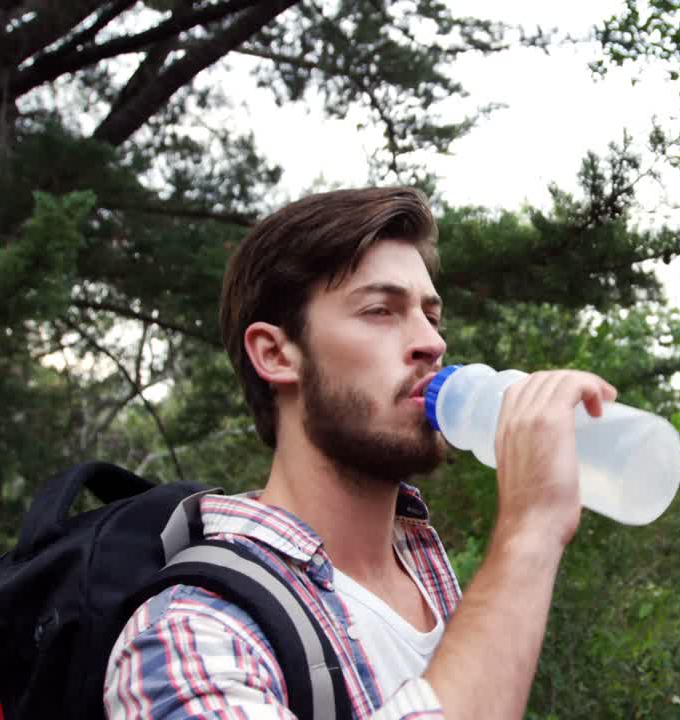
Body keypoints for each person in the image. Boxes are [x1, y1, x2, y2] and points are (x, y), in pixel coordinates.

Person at [104, 187, 615, 719]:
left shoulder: (425, 571)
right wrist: (528, 531)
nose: (432, 344)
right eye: (380, 311)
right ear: (277, 354)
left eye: (431, 316)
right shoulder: (192, 634)